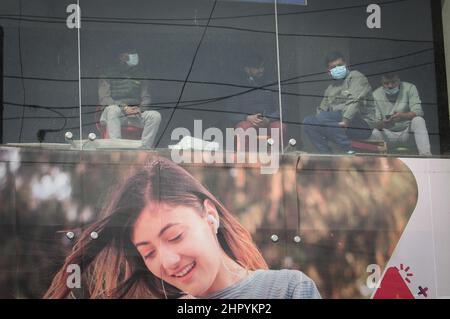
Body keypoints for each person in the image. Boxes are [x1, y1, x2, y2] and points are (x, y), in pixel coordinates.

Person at [44, 156, 321, 299]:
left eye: (175, 236)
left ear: (209, 215)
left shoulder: (288, 289)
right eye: (148, 253)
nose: (168, 262)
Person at [303, 51, 376, 154]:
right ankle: (326, 154)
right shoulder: (330, 88)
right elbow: (321, 110)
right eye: (333, 67)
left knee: (324, 117)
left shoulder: (356, 77)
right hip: (339, 126)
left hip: (361, 125)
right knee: (308, 121)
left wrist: (345, 120)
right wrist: (321, 125)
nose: (337, 68)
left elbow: (354, 101)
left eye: (340, 65)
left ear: (346, 65)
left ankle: (347, 149)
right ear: (329, 71)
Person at [99, 49, 161, 149]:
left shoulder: (140, 74)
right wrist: (125, 108)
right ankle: (116, 149)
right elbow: (104, 99)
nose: (133, 58)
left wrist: (140, 109)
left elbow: (146, 97)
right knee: (113, 109)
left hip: (135, 114)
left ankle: (144, 149)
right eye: (128, 56)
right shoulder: (107, 73)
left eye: (133, 55)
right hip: (116, 115)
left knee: (155, 116)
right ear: (120, 57)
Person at [227, 55, 287, 151]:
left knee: (279, 127)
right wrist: (247, 118)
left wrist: (268, 119)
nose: (261, 70)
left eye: (262, 67)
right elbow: (229, 113)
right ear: (247, 70)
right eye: (257, 67)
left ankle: (277, 159)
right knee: (244, 128)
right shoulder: (237, 87)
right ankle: (246, 161)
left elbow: (282, 109)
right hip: (247, 123)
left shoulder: (271, 84)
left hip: (268, 121)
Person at [370, 73, 432, 156]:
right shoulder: (375, 95)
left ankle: (426, 155)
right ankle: (378, 160)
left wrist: (402, 116)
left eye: (393, 82)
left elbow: (419, 112)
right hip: (388, 134)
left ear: (399, 81)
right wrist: (384, 123)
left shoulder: (409, 88)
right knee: (375, 132)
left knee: (419, 120)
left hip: (407, 132)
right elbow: (375, 124)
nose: (390, 86)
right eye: (386, 83)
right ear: (381, 83)